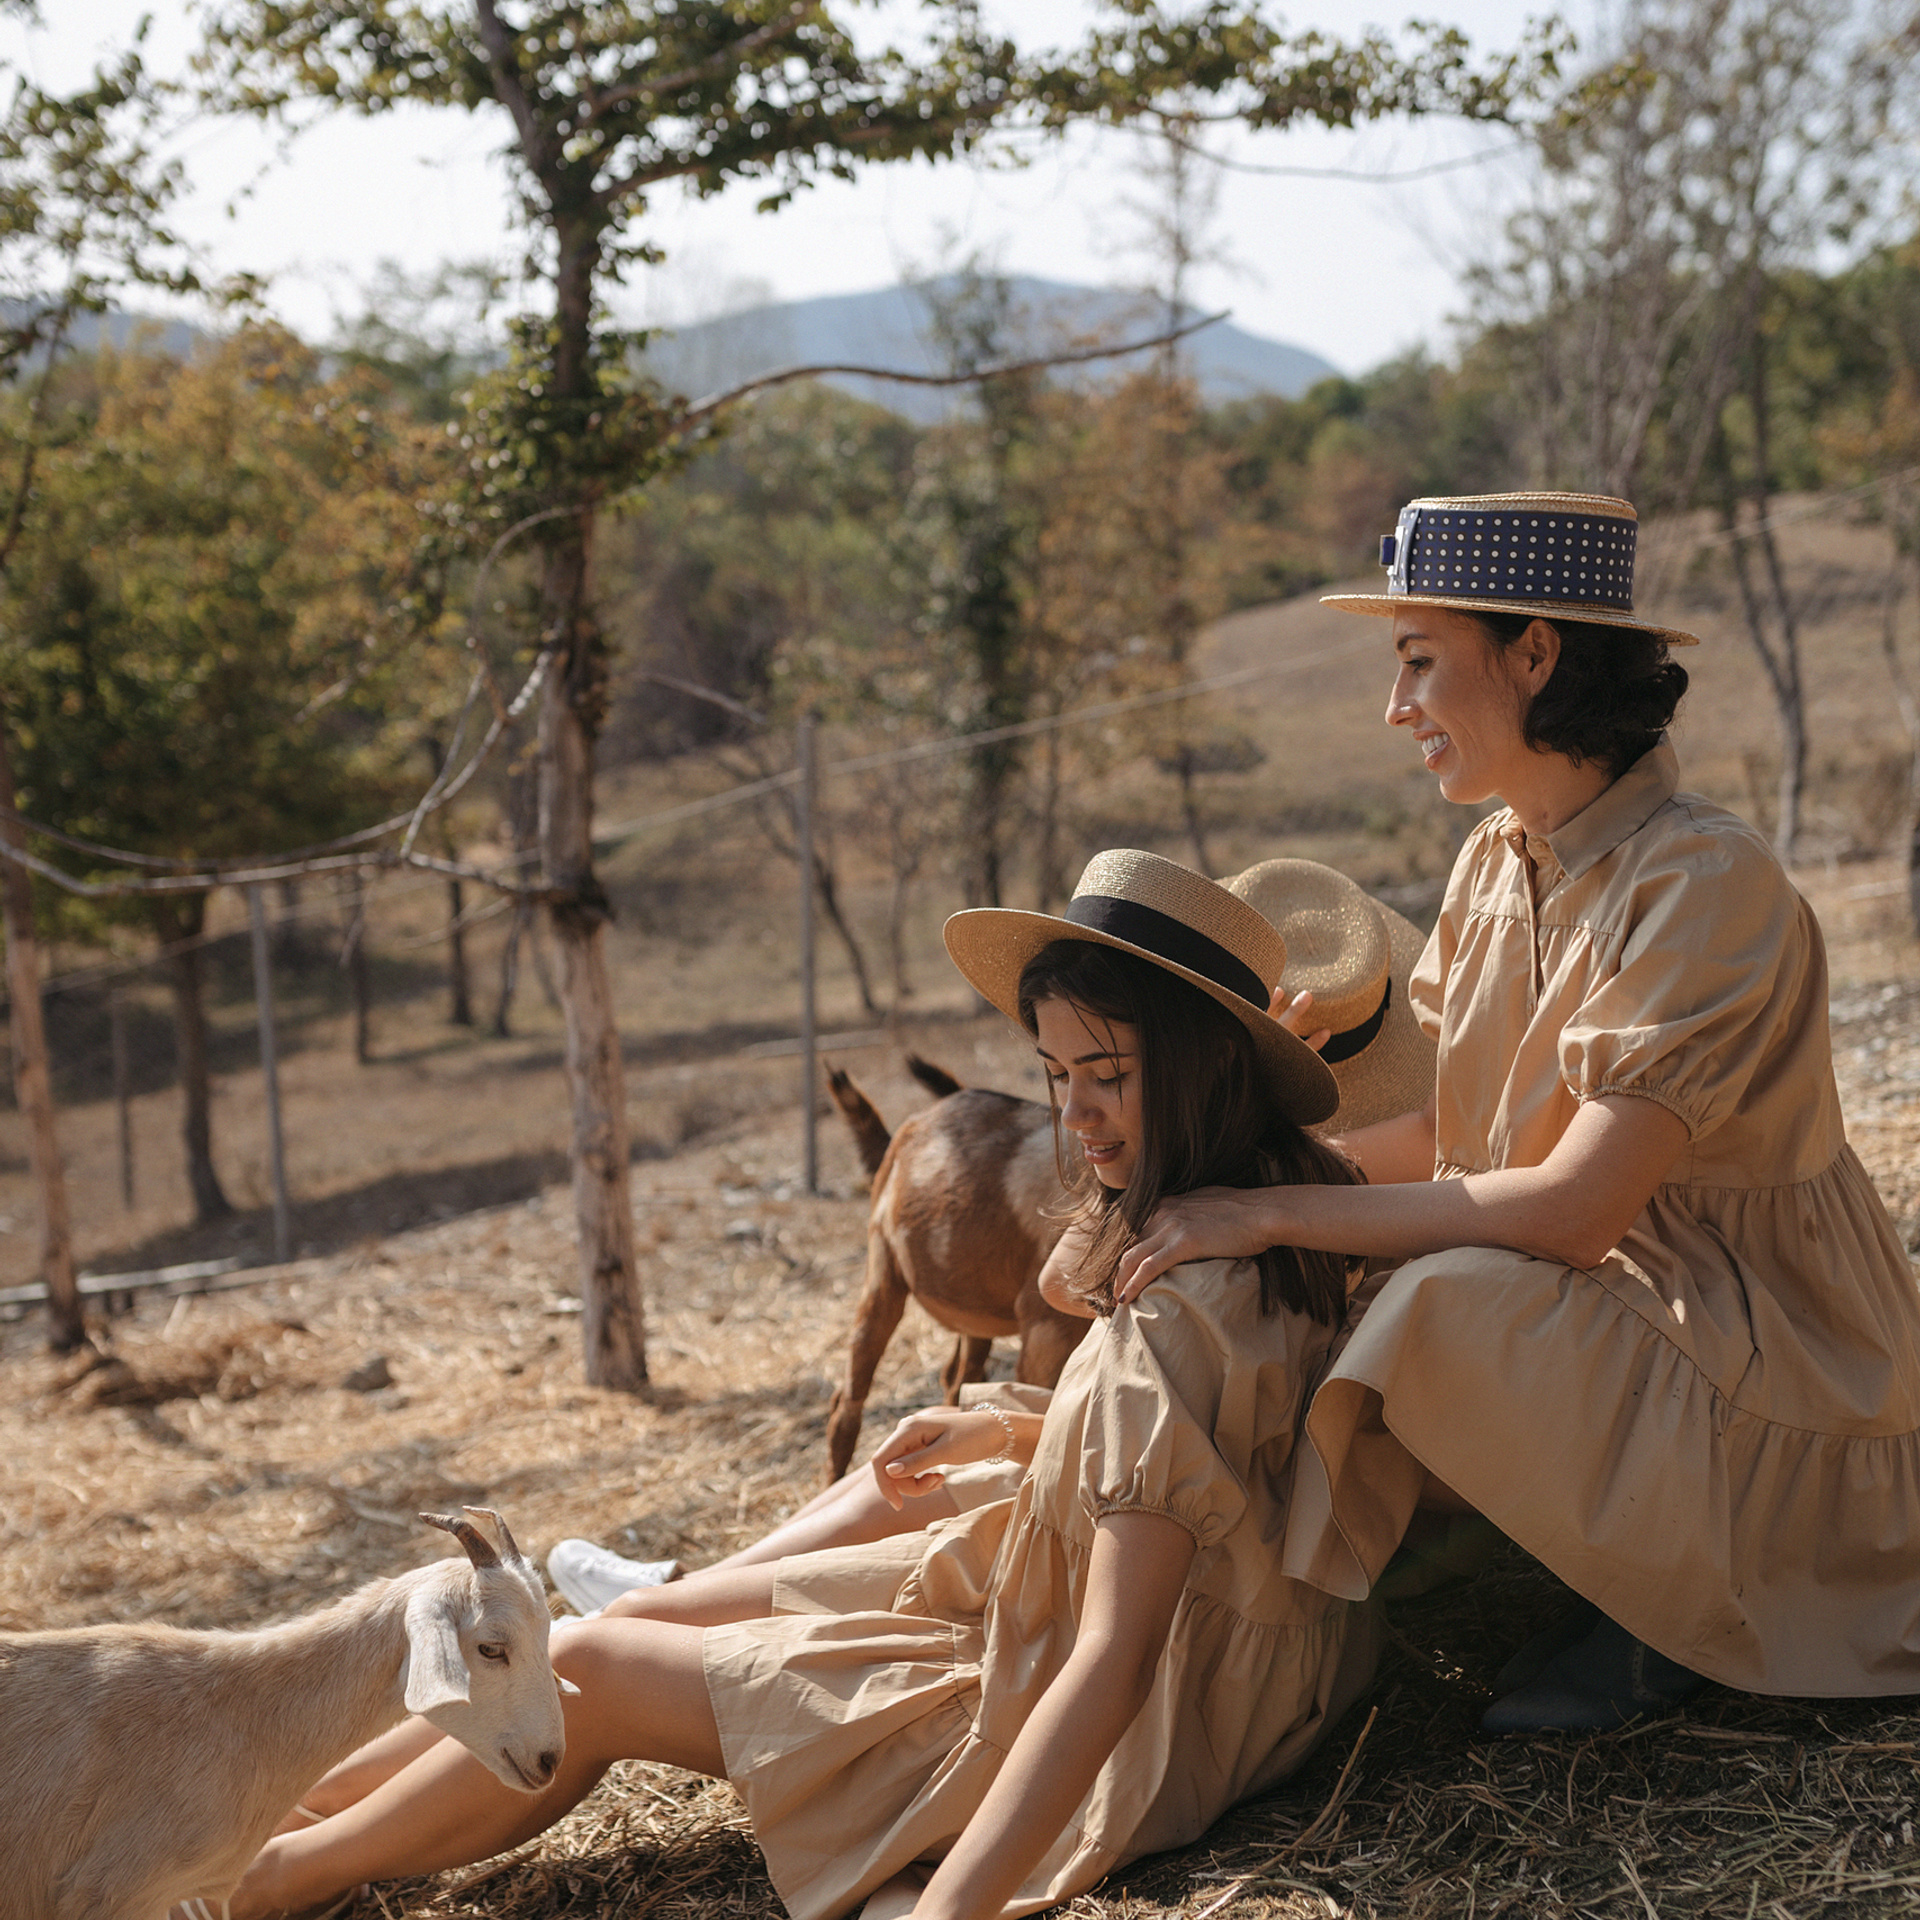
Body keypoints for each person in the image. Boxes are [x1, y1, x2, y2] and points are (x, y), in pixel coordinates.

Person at [186, 850, 1387, 1920]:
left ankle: (269, 1880)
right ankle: (271, 1824)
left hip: (1138, 1712)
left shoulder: (1181, 1305)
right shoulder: (1263, 1223)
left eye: (1108, 1076)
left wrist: (954, 1908)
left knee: (590, 1672)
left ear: (1209, 1067)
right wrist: (1018, 1433)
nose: (1073, 1115)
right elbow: (1212, 1473)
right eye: (1055, 1073)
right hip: (1248, 1679)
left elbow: (1113, 1657)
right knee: (646, 1617)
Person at [1110, 490, 1920, 1733]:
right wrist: (1235, 1190)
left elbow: (1578, 1209)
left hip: (1760, 1358)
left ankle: (1684, 1608)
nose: (1396, 709)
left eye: (1420, 662)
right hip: (1617, 1323)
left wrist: (1274, 1209)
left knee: (1440, 1302)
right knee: (1302, 1276)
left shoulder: (1708, 881)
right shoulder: (1499, 859)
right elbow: (1451, 1140)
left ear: (1535, 652)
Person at [542, 855, 1441, 1620]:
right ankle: (668, 1596)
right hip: (1176, 1460)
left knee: (948, 1496)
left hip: (1220, 1516)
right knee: (938, 1452)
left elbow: (1067, 1289)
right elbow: (1065, 1277)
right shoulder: (1259, 1160)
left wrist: (1240, 1132)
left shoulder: (1374, 1161)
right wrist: (1206, 1131)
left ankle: (666, 1612)